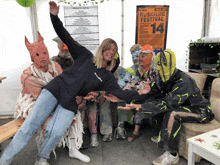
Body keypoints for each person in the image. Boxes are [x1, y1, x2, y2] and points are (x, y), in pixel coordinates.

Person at [0, 1, 150, 165]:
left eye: (114, 51)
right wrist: (54, 16)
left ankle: (41, 158)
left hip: (71, 101)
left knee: (56, 132)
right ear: (102, 48)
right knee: (29, 127)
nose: (111, 51)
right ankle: (5, 160)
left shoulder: (106, 77)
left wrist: (140, 93)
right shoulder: (85, 55)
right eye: (109, 47)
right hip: (54, 90)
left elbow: (121, 93)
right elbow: (65, 36)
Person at [105, 49, 215, 165]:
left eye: (164, 65)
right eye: (159, 65)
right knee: (154, 101)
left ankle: (172, 154)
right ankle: (161, 135)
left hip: (201, 111)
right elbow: (147, 92)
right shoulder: (161, 78)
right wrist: (122, 98)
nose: (161, 69)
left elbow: (167, 103)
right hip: (179, 106)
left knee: (172, 113)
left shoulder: (184, 81)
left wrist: (139, 106)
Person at [116, 44, 159, 142]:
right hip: (139, 93)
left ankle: (136, 131)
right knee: (123, 96)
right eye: (133, 57)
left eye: (138, 56)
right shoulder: (133, 69)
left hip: (152, 94)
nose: (135, 59)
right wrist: (120, 89)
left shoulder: (153, 68)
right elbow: (128, 81)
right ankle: (120, 127)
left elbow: (146, 84)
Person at [99, 53, 125, 141]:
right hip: (106, 95)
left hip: (118, 94)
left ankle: (120, 128)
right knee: (104, 104)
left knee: (122, 101)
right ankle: (107, 131)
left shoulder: (121, 70)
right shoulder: (102, 71)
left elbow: (124, 85)